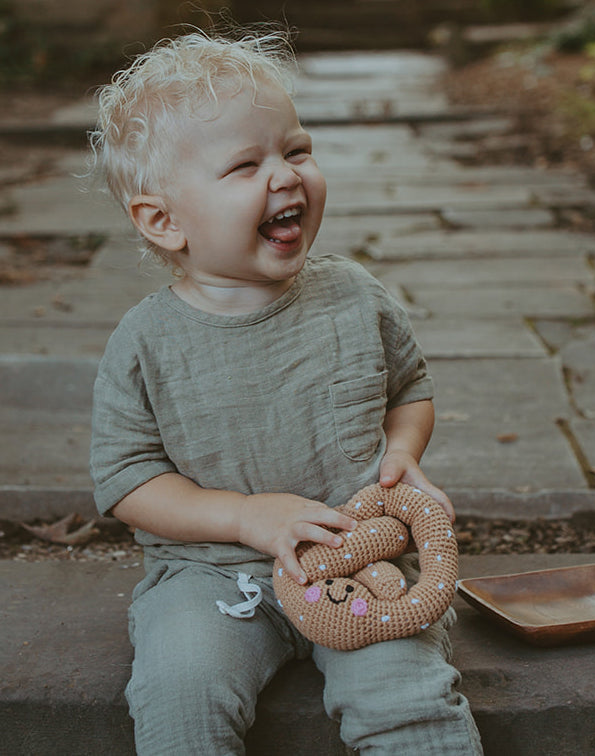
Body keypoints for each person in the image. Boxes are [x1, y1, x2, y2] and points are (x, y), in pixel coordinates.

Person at [89, 27, 483, 755]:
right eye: (246, 165)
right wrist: (244, 519)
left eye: (296, 150)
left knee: (406, 694)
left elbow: (410, 388)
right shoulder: (145, 342)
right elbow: (128, 479)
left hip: (361, 558)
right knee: (180, 693)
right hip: (211, 577)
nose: (286, 176)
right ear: (163, 220)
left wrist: (404, 455)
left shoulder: (354, 296)